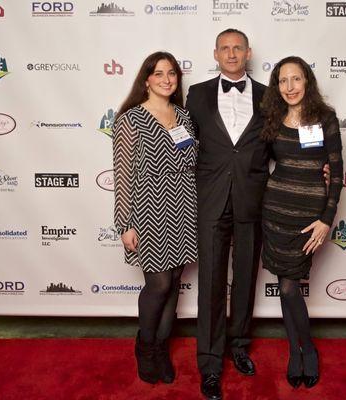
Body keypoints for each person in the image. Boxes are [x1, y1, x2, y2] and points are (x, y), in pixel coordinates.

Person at [185, 29, 268, 400]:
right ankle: (210, 362)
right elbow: (185, 144)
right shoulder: (197, 94)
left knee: (247, 276)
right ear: (215, 54)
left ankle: (239, 346)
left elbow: (282, 143)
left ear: (248, 53)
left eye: (238, 48)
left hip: (252, 198)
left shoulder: (269, 96)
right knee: (213, 283)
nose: (232, 54)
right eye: (225, 48)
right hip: (211, 198)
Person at [112, 51, 198, 384]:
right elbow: (122, 173)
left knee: (174, 281)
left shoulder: (183, 116)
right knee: (159, 283)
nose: (166, 79)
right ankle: (145, 347)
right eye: (159, 73)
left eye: (172, 74)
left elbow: (193, 159)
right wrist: (125, 223)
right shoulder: (130, 118)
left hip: (185, 208)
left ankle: (162, 347)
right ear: (146, 79)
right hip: (148, 211)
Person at [260, 56, 343, 389]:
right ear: (276, 86)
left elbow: (336, 173)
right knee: (285, 285)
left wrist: (326, 219)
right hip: (275, 212)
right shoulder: (273, 118)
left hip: (308, 219)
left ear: (307, 82)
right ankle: (297, 352)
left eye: (295, 79)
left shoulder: (325, 118)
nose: (289, 87)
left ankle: (306, 349)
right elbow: (256, 163)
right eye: (282, 81)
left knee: (289, 286)